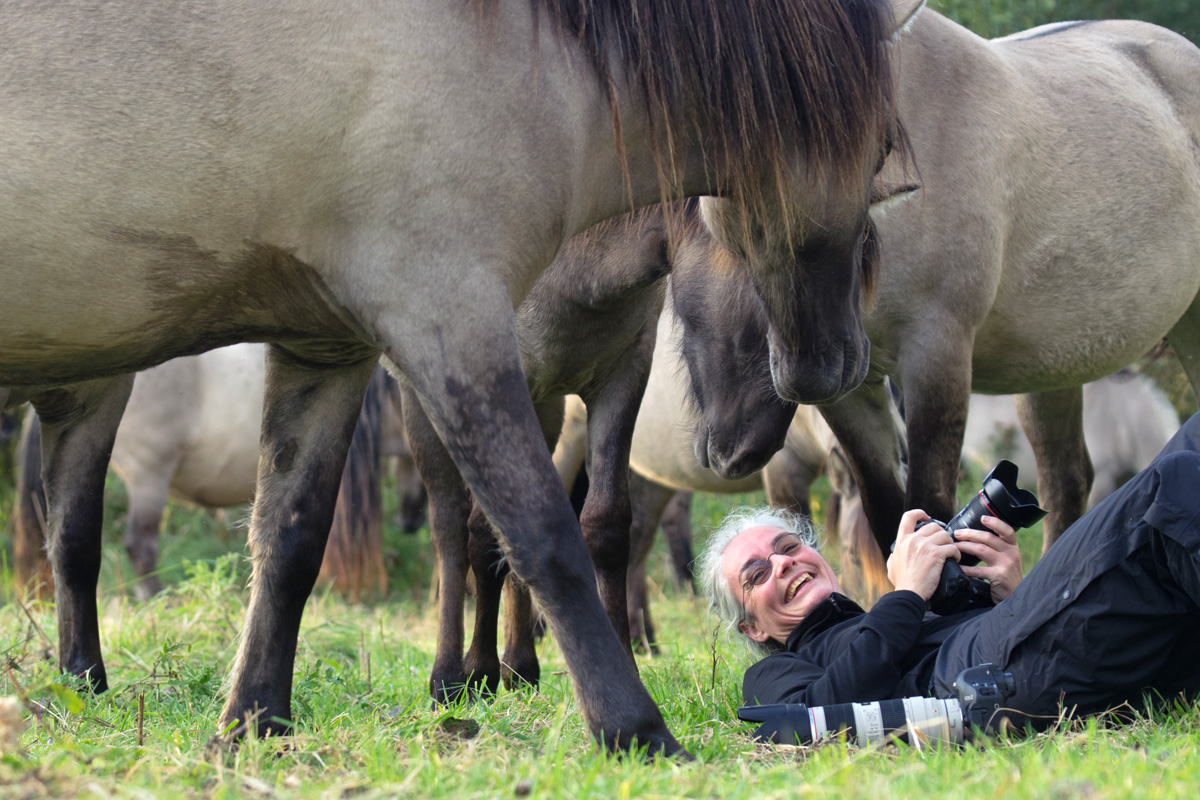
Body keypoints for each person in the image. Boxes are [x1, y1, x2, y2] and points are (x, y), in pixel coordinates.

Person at [698, 412, 1200, 730]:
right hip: (980, 681)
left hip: (1019, 647)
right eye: (757, 573)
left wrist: (1012, 593)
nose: (783, 562)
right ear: (752, 626)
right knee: (1172, 485)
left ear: (820, 560)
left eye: (789, 547)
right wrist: (909, 594)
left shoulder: (882, 620)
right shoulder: (771, 674)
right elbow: (822, 718)